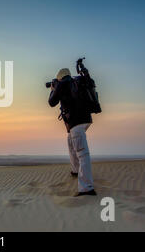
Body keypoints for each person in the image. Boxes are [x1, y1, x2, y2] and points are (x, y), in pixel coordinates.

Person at [48, 68, 97, 196]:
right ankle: (75, 170)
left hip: (76, 122)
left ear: (59, 77)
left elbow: (51, 102)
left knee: (82, 153)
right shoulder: (77, 82)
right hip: (86, 120)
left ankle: (86, 188)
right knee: (71, 141)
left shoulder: (62, 84)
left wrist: (53, 89)